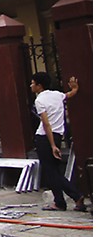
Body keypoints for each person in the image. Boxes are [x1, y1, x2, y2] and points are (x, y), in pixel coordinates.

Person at [30, 72, 86, 212]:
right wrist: (75, 88)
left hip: (45, 138)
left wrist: (52, 145)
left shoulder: (39, 100)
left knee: (52, 172)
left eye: (33, 83)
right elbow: (69, 94)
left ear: (39, 85)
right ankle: (60, 201)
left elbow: (46, 124)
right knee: (53, 170)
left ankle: (75, 196)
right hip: (56, 135)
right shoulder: (57, 95)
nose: (31, 86)